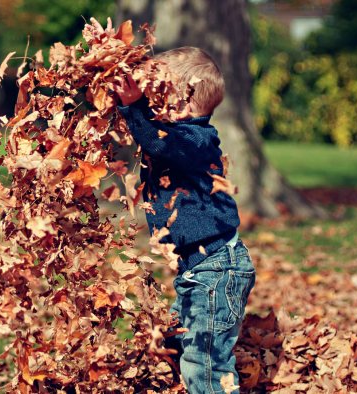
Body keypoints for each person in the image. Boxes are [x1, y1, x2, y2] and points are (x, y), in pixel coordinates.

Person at [90, 17, 256, 394]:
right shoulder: (178, 135)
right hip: (199, 270)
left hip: (217, 272)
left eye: (156, 94)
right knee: (179, 343)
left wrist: (134, 109)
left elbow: (161, 143)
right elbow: (151, 135)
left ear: (182, 102)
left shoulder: (196, 140)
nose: (148, 101)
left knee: (206, 364)